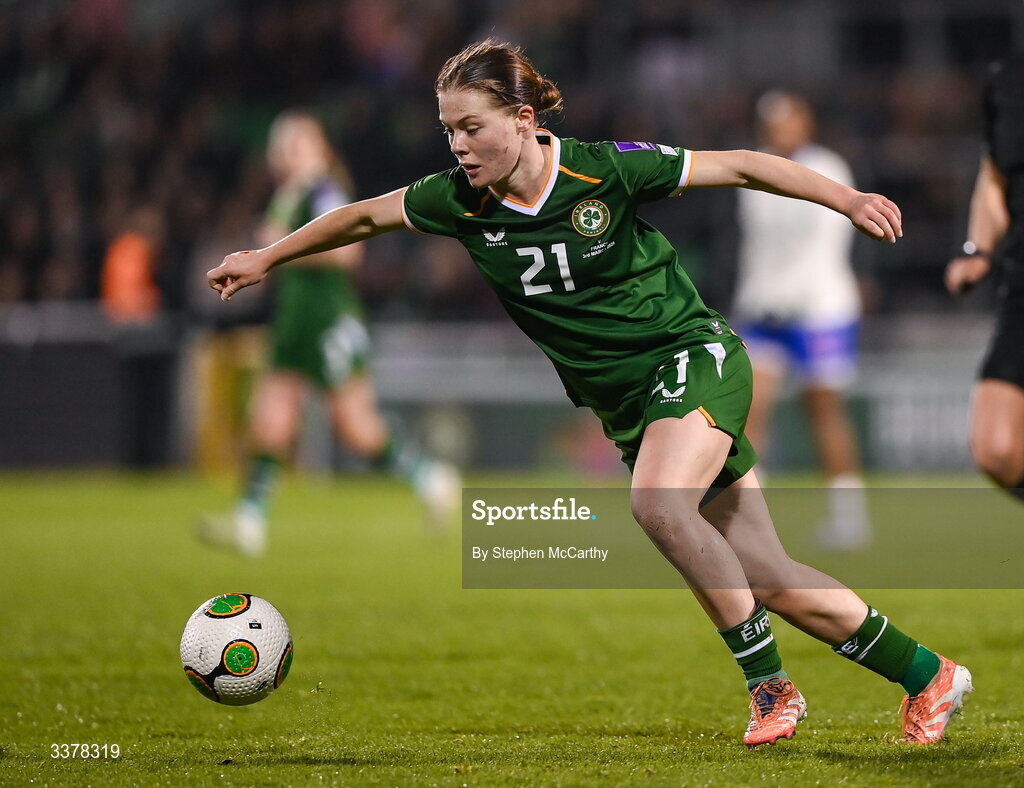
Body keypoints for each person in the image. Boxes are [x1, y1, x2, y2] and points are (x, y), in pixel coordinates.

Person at [208, 42, 972, 746]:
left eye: (471, 127)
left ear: (522, 118)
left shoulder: (604, 169)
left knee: (657, 505)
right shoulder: (458, 201)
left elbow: (740, 164)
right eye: (448, 131)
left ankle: (770, 687)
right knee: (771, 580)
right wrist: (267, 257)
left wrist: (847, 199)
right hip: (633, 409)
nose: (458, 146)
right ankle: (927, 674)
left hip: (692, 357)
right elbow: (361, 216)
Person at [201, 110, 460, 557]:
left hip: (328, 320)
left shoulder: (322, 190)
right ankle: (250, 519)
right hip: (295, 320)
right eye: (283, 145)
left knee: (357, 430)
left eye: (298, 144)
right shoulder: (291, 194)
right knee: (270, 418)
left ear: (320, 150)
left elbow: (347, 256)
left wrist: (279, 255)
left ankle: (429, 479)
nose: (288, 153)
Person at [732, 90, 870, 551]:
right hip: (765, 309)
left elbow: (822, 246)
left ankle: (848, 516)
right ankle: (749, 520)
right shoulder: (754, 169)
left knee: (823, 411)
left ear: (804, 122)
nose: (776, 129)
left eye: (784, 121)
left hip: (819, 308)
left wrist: (787, 295)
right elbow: (758, 250)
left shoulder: (827, 168)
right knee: (749, 409)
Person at [945, 53, 1024, 503]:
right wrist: (979, 250)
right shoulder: (1006, 80)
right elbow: (994, 175)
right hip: (1020, 282)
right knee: (995, 448)